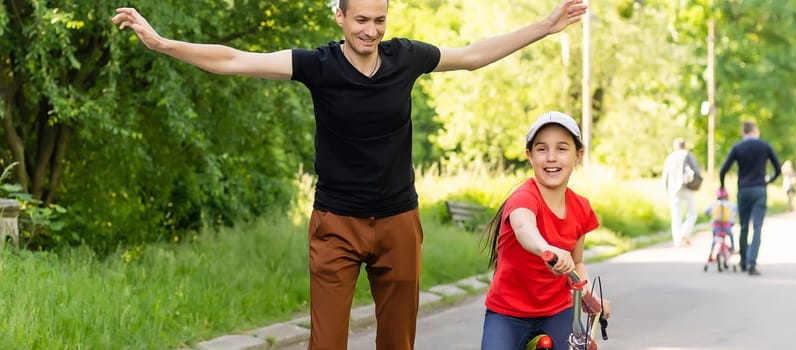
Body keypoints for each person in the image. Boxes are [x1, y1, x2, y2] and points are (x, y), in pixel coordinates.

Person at [112, 1, 588, 349]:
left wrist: (545, 27)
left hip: (399, 221)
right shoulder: (318, 65)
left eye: (379, 20)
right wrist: (161, 43)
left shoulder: (406, 58)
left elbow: (473, 54)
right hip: (336, 224)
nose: (371, 30)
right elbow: (235, 61)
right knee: (327, 342)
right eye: (361, 20)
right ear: (339, 15)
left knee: (398, 342)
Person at [479, 111, 609, 350]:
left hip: (558, 311)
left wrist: (591, 298)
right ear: (530, 155)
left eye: (561, 149)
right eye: (541, 149)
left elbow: (577, 263)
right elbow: (523, 227)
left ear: (578, 155)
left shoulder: (581, 207)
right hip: (508, 313)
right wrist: (546, 248)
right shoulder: (524, 198)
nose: (551, 157)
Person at [718, 121, 781, 276]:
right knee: (758, 227)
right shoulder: (764, 146)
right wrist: (768, 181)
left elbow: (723, 170)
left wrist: (722, 187)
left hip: (744, 190)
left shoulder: (738, 148)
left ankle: (744, 262)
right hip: (759, 189)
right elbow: (778, 169)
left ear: (743, 132)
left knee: (744, 226)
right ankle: (752, 262)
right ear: (754, 130)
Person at [661, 138, 702, 247]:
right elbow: (697, 171)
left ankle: (677, 240)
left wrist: (666, 191)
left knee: (675, 215)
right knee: (692, 212)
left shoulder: (671, 157)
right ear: (685, 145)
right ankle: (684, 232)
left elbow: (665, 175)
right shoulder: (688, 155)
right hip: (688, 186)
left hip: (673, 189)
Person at [704, 188, 738, 262]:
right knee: (731, 235)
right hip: (727, 227)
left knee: (714, 240)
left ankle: (711, 254)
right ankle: (732, 248)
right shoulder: (731, 204)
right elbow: (737, 210)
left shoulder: (714, 204)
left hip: (716, 227)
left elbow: (706, 211)